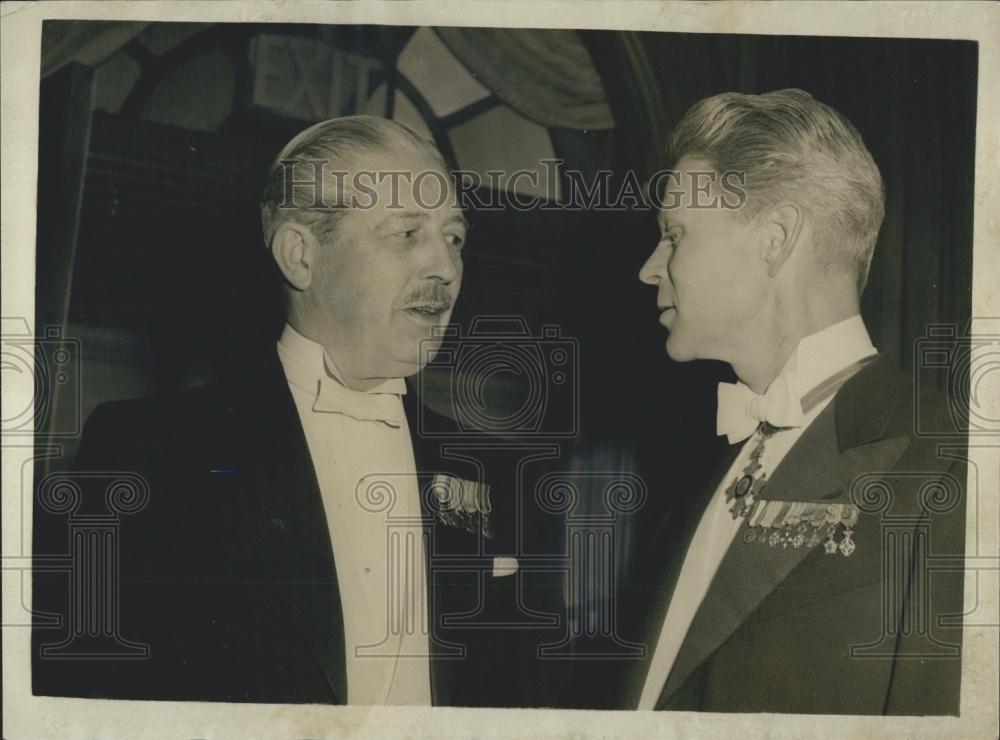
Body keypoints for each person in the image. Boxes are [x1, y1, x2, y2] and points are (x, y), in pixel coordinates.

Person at [32, 116, 557, 707]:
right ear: (300, 255)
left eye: (454, 237)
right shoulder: (150, 451)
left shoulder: (503, 475)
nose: (445, 267)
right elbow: (88, 696)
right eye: (407, 233)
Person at [596, 89, 965, 714]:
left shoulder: (951, 467)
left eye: (674, 235)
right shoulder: (712, 458)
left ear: (776, 237)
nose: (649, 268)